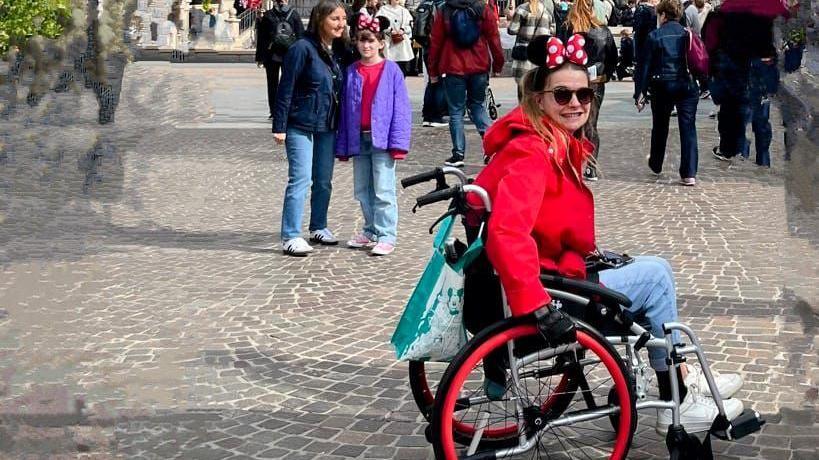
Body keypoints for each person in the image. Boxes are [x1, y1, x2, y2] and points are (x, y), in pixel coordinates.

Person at [465, 33, 744, 433]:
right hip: (546, 292)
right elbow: (507, 233)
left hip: (553, 271)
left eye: (584, 94)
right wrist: (537, 304)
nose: (576, 103)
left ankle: (677, 376)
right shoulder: (533, 154)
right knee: (657, 275)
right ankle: (676, 396)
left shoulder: (544, 141)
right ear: (539, 98)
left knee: (640, 269)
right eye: (562, 95)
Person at [273, 0, 348, 256]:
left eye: (343, 19)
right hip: (300, 123)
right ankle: (290, 235)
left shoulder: (338, 49)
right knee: (301, 179)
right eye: (335, 19)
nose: (341, 24)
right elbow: (285, 88)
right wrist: (279, 126)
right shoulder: (301, 48)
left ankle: (318, 225)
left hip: (327, 123)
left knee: (324, 180)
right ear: (320, 20)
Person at [336, 15, 412, 255]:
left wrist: (398, 144)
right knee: (362, 189)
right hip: (359, 137)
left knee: (383, 189)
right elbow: (346, 110)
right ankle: (370, 229)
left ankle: (387, 234)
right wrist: (344, 144)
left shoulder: (391, 71)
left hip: (382, 139)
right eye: (361, 41)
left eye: (370, 41)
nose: (366, 46)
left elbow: (401, 110)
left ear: (381, 43)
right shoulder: (351, 71)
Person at [428, 0, 504, 167]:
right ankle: (493, 146)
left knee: (456, 111)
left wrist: (432, 70)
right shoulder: (483, 9)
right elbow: (494, 38)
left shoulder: (444, 10)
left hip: (452, 65)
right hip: (479, 64)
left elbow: (435, 42)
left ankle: (458, 154)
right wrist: (498, 65)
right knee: (477, 106)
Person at [634, 0, 699, 185]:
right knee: (688, 127)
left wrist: (640, 93)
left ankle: (656, 163)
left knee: (660, 126)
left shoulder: (655, 36)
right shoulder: (688, 34)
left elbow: (645, 66)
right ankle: (689, 173)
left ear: (662, 15)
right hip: (686, 84)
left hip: (662, 84)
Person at [564, 0, 617, 180]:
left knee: (569, 122)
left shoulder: (568, 28)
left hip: (571, 79)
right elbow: (612, 58)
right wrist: (606, 75)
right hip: (596, 81)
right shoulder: (603, 30)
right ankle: (591, 167)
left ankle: (570, 162)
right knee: (591, 124)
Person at [256, 0, 305, 119]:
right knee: (290, 83)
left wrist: (260, 57)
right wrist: (303, 55)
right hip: (290, 53)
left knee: (272, 83)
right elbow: (301, 36)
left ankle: (274, 111)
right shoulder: (294, 14)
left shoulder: (268, 15)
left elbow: (262, 38)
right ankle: (288, 109)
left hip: (272, 53)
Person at [413, 0, 449, 127]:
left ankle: (427, 115)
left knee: (431, 82)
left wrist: (426, 44)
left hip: (427, 48)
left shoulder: (424, 4)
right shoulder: (442, 5)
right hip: (439, 48)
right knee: (440, 82)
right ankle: (436, 116)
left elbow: (418, 31)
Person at [508, 0, 556, 84]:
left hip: (524, 53)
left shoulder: (522, 9)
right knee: (537, 85)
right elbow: (552, 31)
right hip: (540, 53)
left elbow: (512, 30)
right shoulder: (546, 10)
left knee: (523, 85)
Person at [376, 0, 415, 75]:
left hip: (402, 44)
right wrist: (390, 30)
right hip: (389, 44)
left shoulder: (404, 11)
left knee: (402, 70)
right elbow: (379, 24)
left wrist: (403, 30)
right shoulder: (383, 10)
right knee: (388, 70)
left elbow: (410, 26)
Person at [632, 0, 656, 101]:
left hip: (641, 44)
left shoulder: (641, 10)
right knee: (645, 69)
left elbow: (638, 29)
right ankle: (642, 92)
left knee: (641, 69)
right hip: (647, 44)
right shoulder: (651, 11)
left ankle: (640, 92)